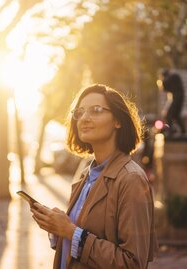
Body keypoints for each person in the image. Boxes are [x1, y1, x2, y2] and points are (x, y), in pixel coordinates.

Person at [31, 84, 157, 269]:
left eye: (96, 110)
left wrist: (70, 231)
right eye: (79, 112)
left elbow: (132, 263)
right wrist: (57, 227)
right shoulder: (86, 175)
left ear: (118, 121)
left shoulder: (131, 179)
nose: (84, 118)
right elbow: (78, 242)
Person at [159, 69, 186, 136]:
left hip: (178, 98)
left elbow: (164, 85)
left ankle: (170, 132)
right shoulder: (173, 78)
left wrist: (161, 81)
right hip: (177, 97)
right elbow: (165, 88)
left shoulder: (173, 77)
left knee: (169, 115)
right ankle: (183, 131)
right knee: (176, 116)